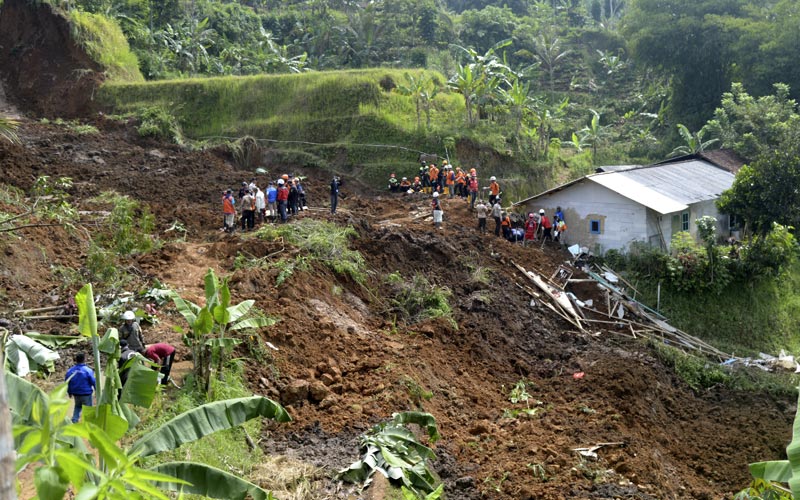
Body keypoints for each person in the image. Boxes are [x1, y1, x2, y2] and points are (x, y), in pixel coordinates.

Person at [66, 352, 95, 423]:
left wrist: (69, 392)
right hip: (86, 394)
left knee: (77, 407)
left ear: (76, 360)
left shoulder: (70, 371)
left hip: (76, 394)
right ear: (84, 359)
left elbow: (67, 382)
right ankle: (88, 424)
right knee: (88, 409)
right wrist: (97, 390)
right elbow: (93, 381)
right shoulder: (88, 370)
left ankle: (74, 421)